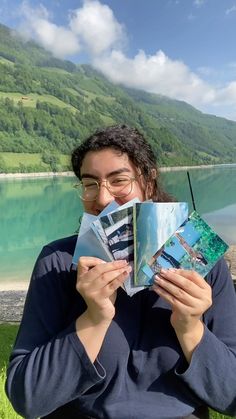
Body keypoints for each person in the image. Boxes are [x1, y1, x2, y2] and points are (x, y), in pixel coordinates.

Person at [5, 125, 236, 419]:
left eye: (119, 180)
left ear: (149, 184)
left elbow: (231, 397)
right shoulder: (58, 262)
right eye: (90, 183)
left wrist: (190, 326)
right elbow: (28, 399)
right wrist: (94, 317)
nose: (102, 199)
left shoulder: (201, 262)